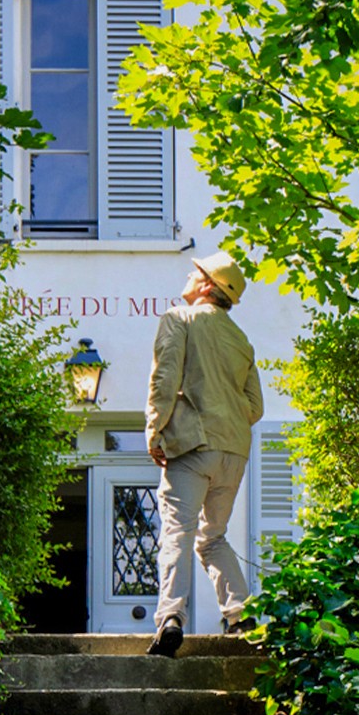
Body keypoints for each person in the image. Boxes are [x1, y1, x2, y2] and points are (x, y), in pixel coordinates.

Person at [144, 251, 263, 657]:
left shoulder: (179, 318)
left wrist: (155, 429)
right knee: (212, 536)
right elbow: (255, 406)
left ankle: (171, 617)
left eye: (196, 272)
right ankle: (241, 617)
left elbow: (165, 377)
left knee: (178, 529)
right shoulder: (241, 340)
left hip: (193, 445)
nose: (189, 276)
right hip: (233, 451)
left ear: (208, 286)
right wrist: (226, 417)